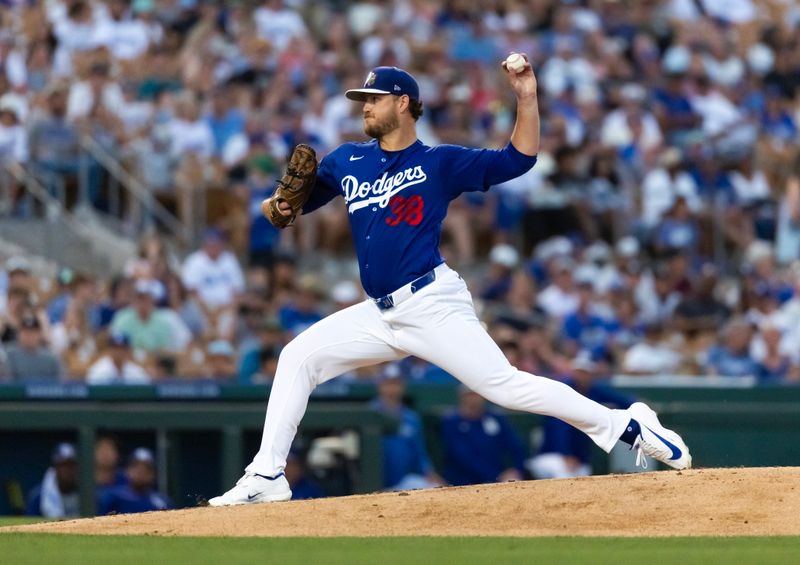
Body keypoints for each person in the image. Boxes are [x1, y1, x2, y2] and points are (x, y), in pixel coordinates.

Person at [210, 60, 692, 506]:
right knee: (297, 357)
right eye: (364, 100)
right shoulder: (346, 161)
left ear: (403, 103)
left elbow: (518, 159)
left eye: (374, 99)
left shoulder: (439, 162)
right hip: (379, 312)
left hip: (432, 303)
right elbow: (289, 208)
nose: (366, 107)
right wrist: (278, 205)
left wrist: (526, 98)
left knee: (506, 389)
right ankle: (267, 475)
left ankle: (626, 426)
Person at [369, 364, 443, 490]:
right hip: (374, 482)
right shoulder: (369, 412)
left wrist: (429, 473)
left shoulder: (411, 417)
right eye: (388, 383)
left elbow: (419, 451)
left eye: (396, 384)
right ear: (380, 385)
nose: (392, 389)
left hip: (404, 480)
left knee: (434, 488)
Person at [441, 386, 527, 486]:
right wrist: (494, 476)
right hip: (464, 479)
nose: (474, 399)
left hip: (499, 475)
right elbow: (462, 456)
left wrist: (516, 469)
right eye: (470, 395)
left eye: (477, 394)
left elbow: (515, 445)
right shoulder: (452, 421)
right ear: (462, 396)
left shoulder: (495, 418)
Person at [97, 448, 171, 515]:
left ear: (153, 474)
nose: (140, 471)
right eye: (135, 466)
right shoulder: (112, 497)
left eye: (147, 468)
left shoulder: (161, 502)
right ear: (127, 470)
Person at [26, 442, 80, 518]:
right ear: (55, 467)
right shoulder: (39, 495)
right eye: (64, 465)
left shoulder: (88, 494)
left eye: (71, 465)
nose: (68, 470)